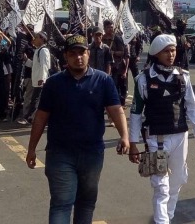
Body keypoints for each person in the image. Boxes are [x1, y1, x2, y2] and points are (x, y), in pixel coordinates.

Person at [25, 34, 129, 224]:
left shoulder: (103, 80)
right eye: (73, 53)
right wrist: (32, 148)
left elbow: (116, 109)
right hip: (60, 154)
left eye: (82, 53)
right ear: (66, 56)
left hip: (92, 154)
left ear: (88, 54)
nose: (78, 57)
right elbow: (41, 118)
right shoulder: (54, 83)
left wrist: (125, 136)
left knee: (86, 203)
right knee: (62, 203)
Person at [128, 34, 195, 224]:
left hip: (180, 136)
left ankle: (168, 216)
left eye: (173, 50)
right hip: (156, 139)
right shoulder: (144, 79)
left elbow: (193, 107)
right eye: (166, 51)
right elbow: (136, 112)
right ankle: (162, 221)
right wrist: (133, 143)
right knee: (160, 186)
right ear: (156, 53)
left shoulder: (183, 76)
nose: (171, 54)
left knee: (177, 181)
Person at [17, 32, 50, 125]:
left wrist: (42, 79)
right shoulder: (38, 50)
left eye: (36, 37)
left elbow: (45, 66)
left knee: (35, 100)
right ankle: (33, 118)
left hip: (40, 81)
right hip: (36, 80)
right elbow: (34, 65)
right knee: (37, 100)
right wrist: (26, 60)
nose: (33, 40)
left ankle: (28, 117)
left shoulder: (43, 51)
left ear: (42, 38)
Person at [102, 19, 129, 107]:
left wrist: (112, 52)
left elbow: (122, 52)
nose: (110, 29)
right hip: (105, 65)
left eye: (111, 27)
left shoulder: (117, 38)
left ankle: (118, 103)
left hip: (117, 66)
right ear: (104, 28)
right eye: (108, 27)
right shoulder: (102, 38)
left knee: (117, 84)